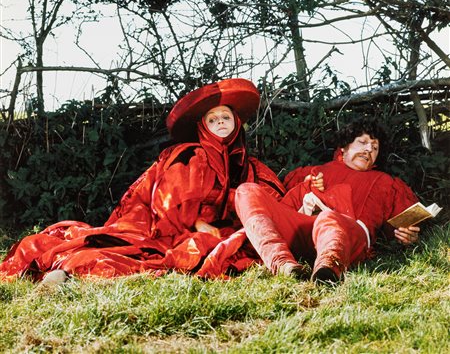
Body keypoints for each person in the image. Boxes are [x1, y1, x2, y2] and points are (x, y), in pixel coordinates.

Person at [0, 78, 285, 282]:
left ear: (237, 123)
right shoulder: (189, 155)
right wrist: (201, 226)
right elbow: (167, 205)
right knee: (162, 253)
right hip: (163, 229)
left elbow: (271, 201)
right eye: (212, 119)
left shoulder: (248, 163)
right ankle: (67, 271)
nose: (221, 122)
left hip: (215, 231)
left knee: (233, 245)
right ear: (202, 127)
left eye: (226, 116)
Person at [235, 117, 421, 283]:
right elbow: (286, 207)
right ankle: (281, 262)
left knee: (329, 218)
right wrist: (306, 202)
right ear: (344, 148)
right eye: (362, 142)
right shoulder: (315, 173)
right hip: (304, 229)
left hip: (348, 234)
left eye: (375, 147)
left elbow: (400, 224)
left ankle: (327, 269)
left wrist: (407, 235)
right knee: (246, 191)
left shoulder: (386, 182)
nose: (368, 149)